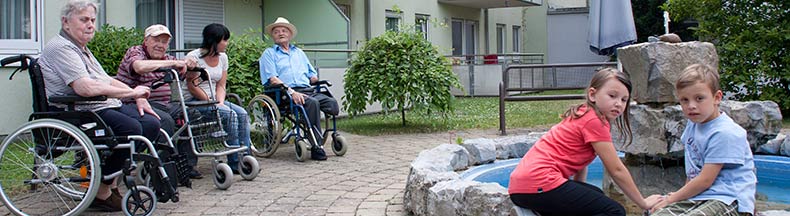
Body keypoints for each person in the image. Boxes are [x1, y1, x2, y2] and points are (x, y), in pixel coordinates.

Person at [38, 0, 160, 211]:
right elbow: (84, 87)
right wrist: (131, 92)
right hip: (77, 111)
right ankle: (101, 188)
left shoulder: (81, 49)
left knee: (150, 124)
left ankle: (109, 183)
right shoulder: (61, 48)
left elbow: (107, 80)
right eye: (84, 19)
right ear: (66, 22)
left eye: (93, 20)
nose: (91, 25)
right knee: (131, 129)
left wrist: (136, 96)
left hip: (97, 107)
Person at [508, 68, 662, 215]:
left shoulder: (583, 113)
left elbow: (580, 160)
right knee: (615, 211)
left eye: (624, 100)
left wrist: (578, 186)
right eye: (612, 96)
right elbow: (616, 170)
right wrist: (643, 202)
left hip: (523, 187)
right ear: (592, 95)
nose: (618, 104)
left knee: (596, 195)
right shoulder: (594, 121)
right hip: (540, 184)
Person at [650, 64, 756, 216]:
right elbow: (693, 170)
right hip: (703, 196)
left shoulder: (724, 133)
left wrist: (671, 199)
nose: (691, 106)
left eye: (699, 98)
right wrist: (678, 198)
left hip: (730, 199)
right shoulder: (693, 125)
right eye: (684, 100)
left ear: (717, 98)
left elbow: (705, 180)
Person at [115, 24, 203, 179]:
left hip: (163, 104)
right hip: (132, 103)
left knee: (192, 115)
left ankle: (186, 167)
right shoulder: (136, 52)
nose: (160, 45)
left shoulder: (167, 58)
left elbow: (188, 77)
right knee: (165, 120)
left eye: (164, 42)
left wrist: (191, 65)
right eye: (156, 40)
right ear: (146, 40)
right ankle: (160, 169)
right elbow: (139, 67)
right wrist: (174, 63)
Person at [259, 17, 339, 160]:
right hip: (283, 92)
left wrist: (316, 80)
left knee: (331, 103)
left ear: (290, 34)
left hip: (307, 90)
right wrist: (292, 92)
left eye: (284, 30)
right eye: (276, 31)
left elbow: (311, 74)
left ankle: (330, 134)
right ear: (272, 36)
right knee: (312, 104)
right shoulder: (269, 54)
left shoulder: (299, 53)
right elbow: (272, 79)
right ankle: (316, 146)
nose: (281, 33)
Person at [183, 23, 249, 171]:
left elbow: (221, 84)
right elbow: (192, 86)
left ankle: (245, 156)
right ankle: (235, 162)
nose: (226, 43)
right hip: (195, 100)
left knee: (242, 113)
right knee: (230, 114)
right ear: (213, 41)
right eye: (223, 40)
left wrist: (219, 102)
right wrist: (212, 102)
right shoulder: (194, 57)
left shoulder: (223, 57)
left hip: (215, 98)